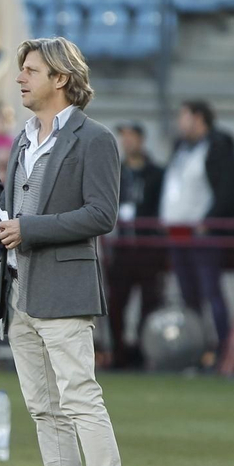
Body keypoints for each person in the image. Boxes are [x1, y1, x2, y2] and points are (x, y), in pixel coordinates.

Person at [0, 38, 128, 466]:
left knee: (80, 398)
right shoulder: (24, 139)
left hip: (63, 287)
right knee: (44, 406)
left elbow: (101, 214)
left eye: (31, 70)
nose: (20, 78)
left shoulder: (95, 139)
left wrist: (29, 229)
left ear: (61, 78)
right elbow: (14, 209)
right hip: (18, 289)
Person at [160, 100, 234, 365]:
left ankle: (224, 351)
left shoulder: (218, 145)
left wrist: (208, 222)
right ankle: (195, 349)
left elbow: (228, 189)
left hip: (202, 235)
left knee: (211, 292)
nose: (179, 122)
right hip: (177, 233)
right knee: (188, 296)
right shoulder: (180, 147)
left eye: (184, 116)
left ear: (198, 118)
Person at [107, 122, 166, 369]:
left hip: (149, 247)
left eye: (131, 136)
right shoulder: (116, 172)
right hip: (122, 247)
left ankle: (144, 352)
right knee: (116, 302)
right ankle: (119, 354)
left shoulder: (157, 174)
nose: (127, 142)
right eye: (124, 137)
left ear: (141, 140)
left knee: (150, 302)